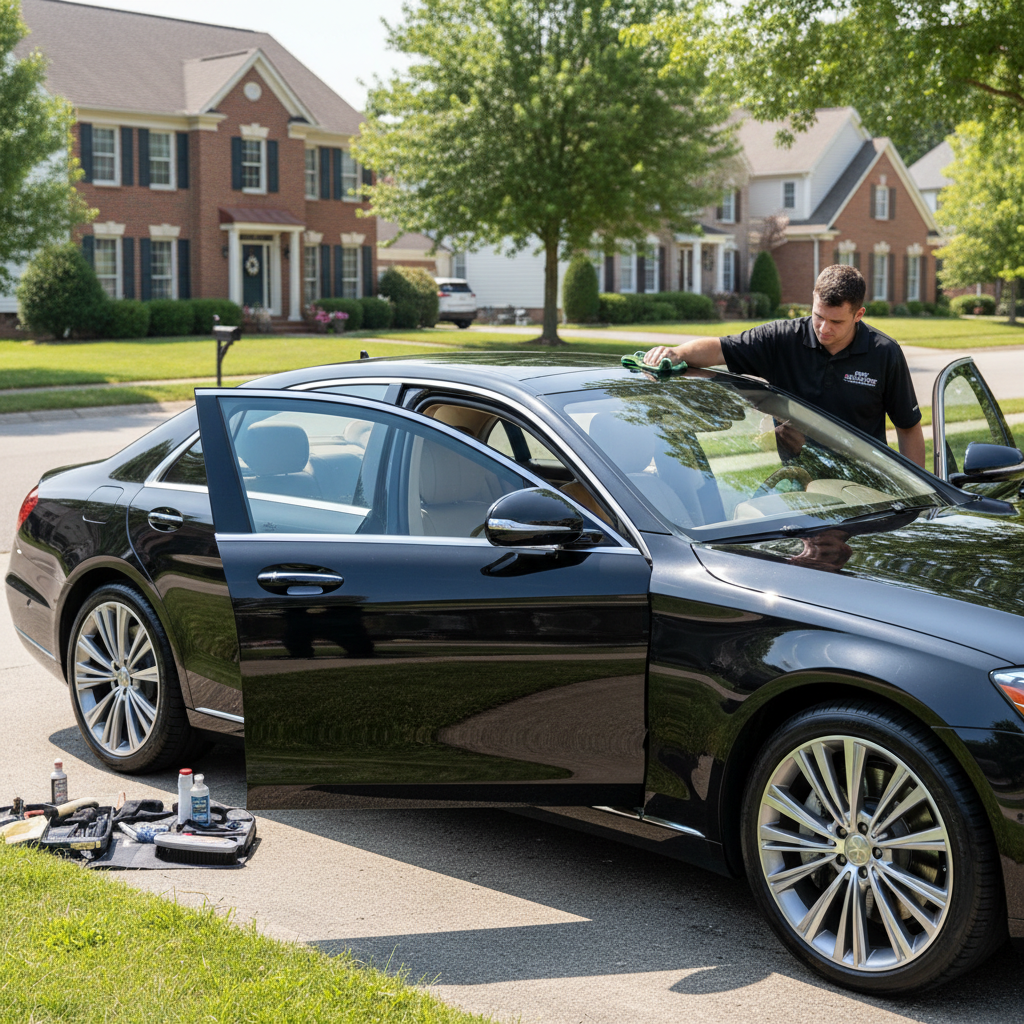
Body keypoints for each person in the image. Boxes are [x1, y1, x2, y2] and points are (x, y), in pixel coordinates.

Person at [642, 264, 926, 468]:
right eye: (818, 316)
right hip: (797, 480)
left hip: (866, 480)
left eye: (836, 321)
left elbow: (908, 427)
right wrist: (676, 352)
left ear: (858, 315)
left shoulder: (884, 353)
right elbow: (720, 348)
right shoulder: (781, 339)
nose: (823, 329)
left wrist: (923, 496)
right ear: (812, 302)